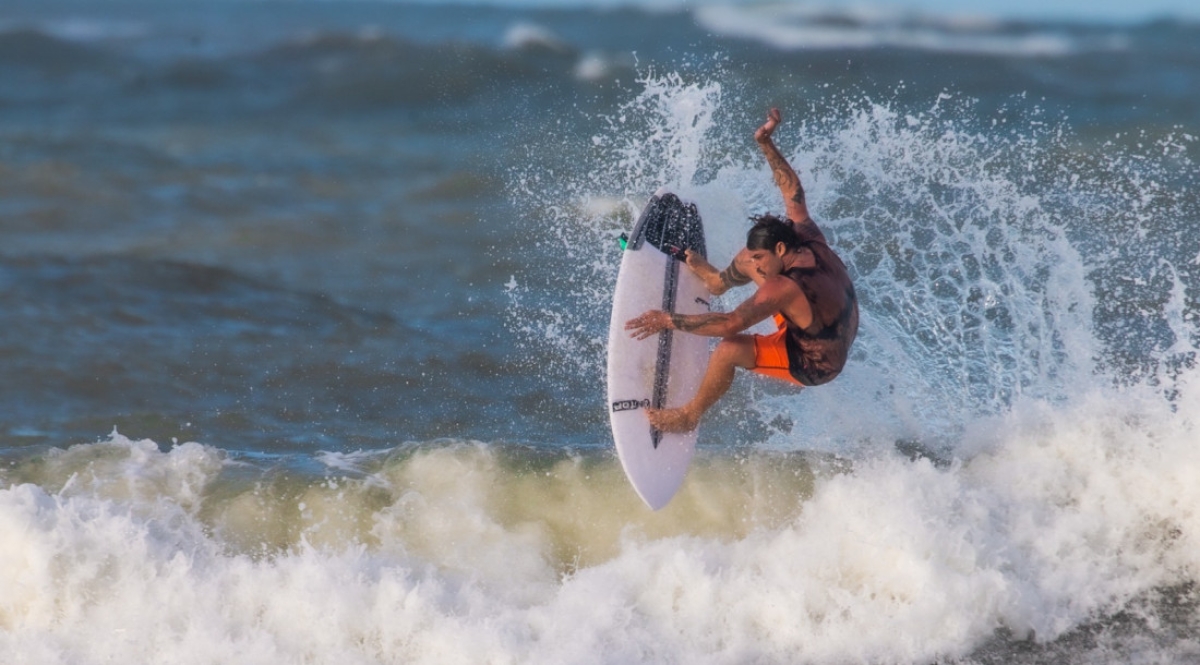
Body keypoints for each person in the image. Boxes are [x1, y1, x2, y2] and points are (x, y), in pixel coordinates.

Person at [625, 107, 859, 433]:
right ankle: (716, 281)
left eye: (764, 256)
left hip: (817, 363)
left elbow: (730, 323)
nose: (758, 263)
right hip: (820, 325)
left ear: (780, 249)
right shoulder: (807, 236)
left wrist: (666, 320)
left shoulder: (785, 288)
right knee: (747, 261)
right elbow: (793, 193)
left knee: (729, 349)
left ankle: (689, 416)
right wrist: (765, 142)